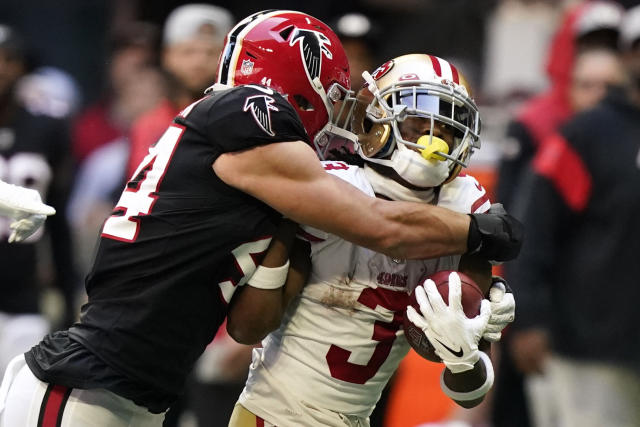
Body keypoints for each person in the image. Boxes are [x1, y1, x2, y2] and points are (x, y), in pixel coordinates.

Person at [0, 11, 521, 427]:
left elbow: (468, 376)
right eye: (332, 92)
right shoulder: (251, 113)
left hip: (130, 386)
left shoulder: (248, 139)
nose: (334, 110)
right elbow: (380, 226)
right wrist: (487, 232)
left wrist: (464, 350)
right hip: (92, 379)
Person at [229, 54, 516, 427]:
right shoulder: (337, 186)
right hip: (273, 414)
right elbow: (247, 329)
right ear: (374, 119)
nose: (435, 135)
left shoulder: (465, 206)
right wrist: (285, 224)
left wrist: (462, 354)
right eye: (419, 120)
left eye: (448, 127)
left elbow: (469, 393)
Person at [506, 5, 640, 427]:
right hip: (591, 348)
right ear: (629, 57)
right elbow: (536, 227)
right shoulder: (587, 134)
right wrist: (528, 316)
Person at [0, 24, 77, 381]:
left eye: (8, 58)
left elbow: (59, 221)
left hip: (24, 295)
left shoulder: (47, 129)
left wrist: (67, 291)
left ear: (22, 66)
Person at [125, 3, 233, 177]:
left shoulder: (241, 123)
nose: (199, 62)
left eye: (211, 53)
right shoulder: (149, 126)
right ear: (167, 55)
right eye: (188, 52)